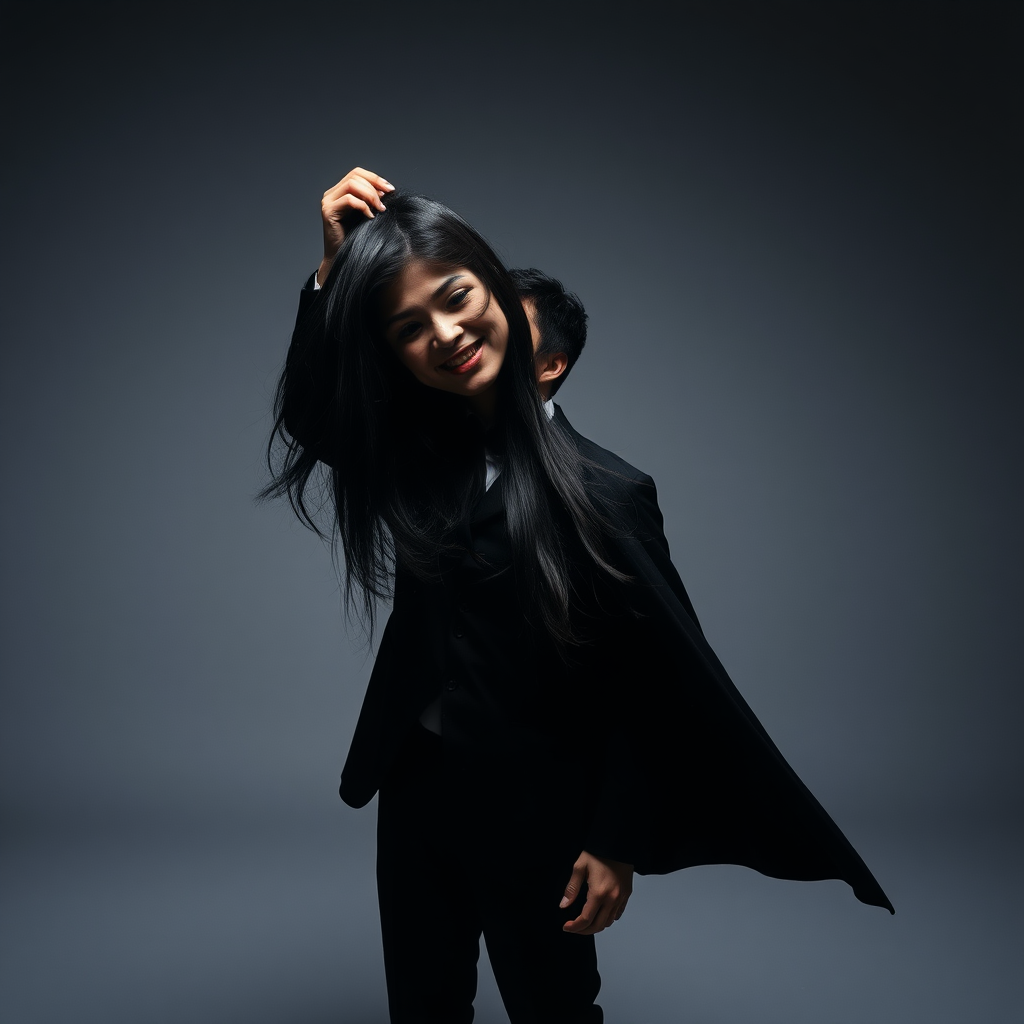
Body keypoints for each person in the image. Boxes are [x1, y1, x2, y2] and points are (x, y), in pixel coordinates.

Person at [263, 167, 893, 1024]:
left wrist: (616, 841)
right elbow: (310, 414)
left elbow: (656, 687)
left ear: (538, 346)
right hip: (415, 788)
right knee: (421, 1003)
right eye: (410, 328)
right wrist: (330, 276)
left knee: (552, 1007)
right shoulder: (417, 457)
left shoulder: (608, 494)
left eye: (458, 298)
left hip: (538, 807)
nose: (446, 334)